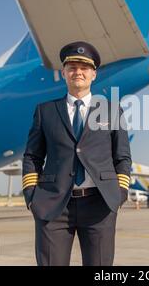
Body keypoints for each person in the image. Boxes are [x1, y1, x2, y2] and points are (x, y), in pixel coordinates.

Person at [21, 41, 132, 266]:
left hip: (100, 205)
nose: (77, 72)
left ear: (93, 74)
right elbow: (32, 156)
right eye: (71, 67)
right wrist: (32, 197)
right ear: (64, 73)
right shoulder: (46, 111)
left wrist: (119, 194)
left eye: (84, 67)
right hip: (53, 206)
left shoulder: (111, 110)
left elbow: (122, 157)